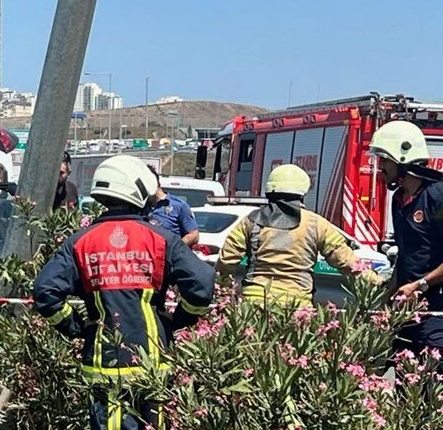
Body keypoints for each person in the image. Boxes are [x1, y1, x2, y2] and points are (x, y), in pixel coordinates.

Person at [34, 155, 215, 430]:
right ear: (137, 192)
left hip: (105, 364)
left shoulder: (80, 242)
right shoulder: (160, 239)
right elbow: (202, 286)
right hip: (152, 361)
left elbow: (45, 293)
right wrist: (176, 322)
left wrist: (75, 327)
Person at [216, 164, 378, 306]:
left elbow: (226, 261)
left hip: (255, 301)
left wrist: (223, 290)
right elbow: (346, 261)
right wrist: (377, 282)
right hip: (297, 305)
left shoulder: (251, 221)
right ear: (303, 192)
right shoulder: (316, 224)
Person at [369, 120, 443, 351]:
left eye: (384, 160)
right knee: (402, 376)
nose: (380, 167)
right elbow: (405, 255)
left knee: (432, 378)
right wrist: (386, 295)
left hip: (436, 311)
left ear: (401, 160)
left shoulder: (437, 196)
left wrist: (420, 284)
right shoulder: (399, 200)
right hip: (407, 309)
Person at [146, 166, 200, 247]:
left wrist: (173, 249)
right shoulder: (140, 207)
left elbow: (194, 235)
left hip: (168, 257)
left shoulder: (179, 206)